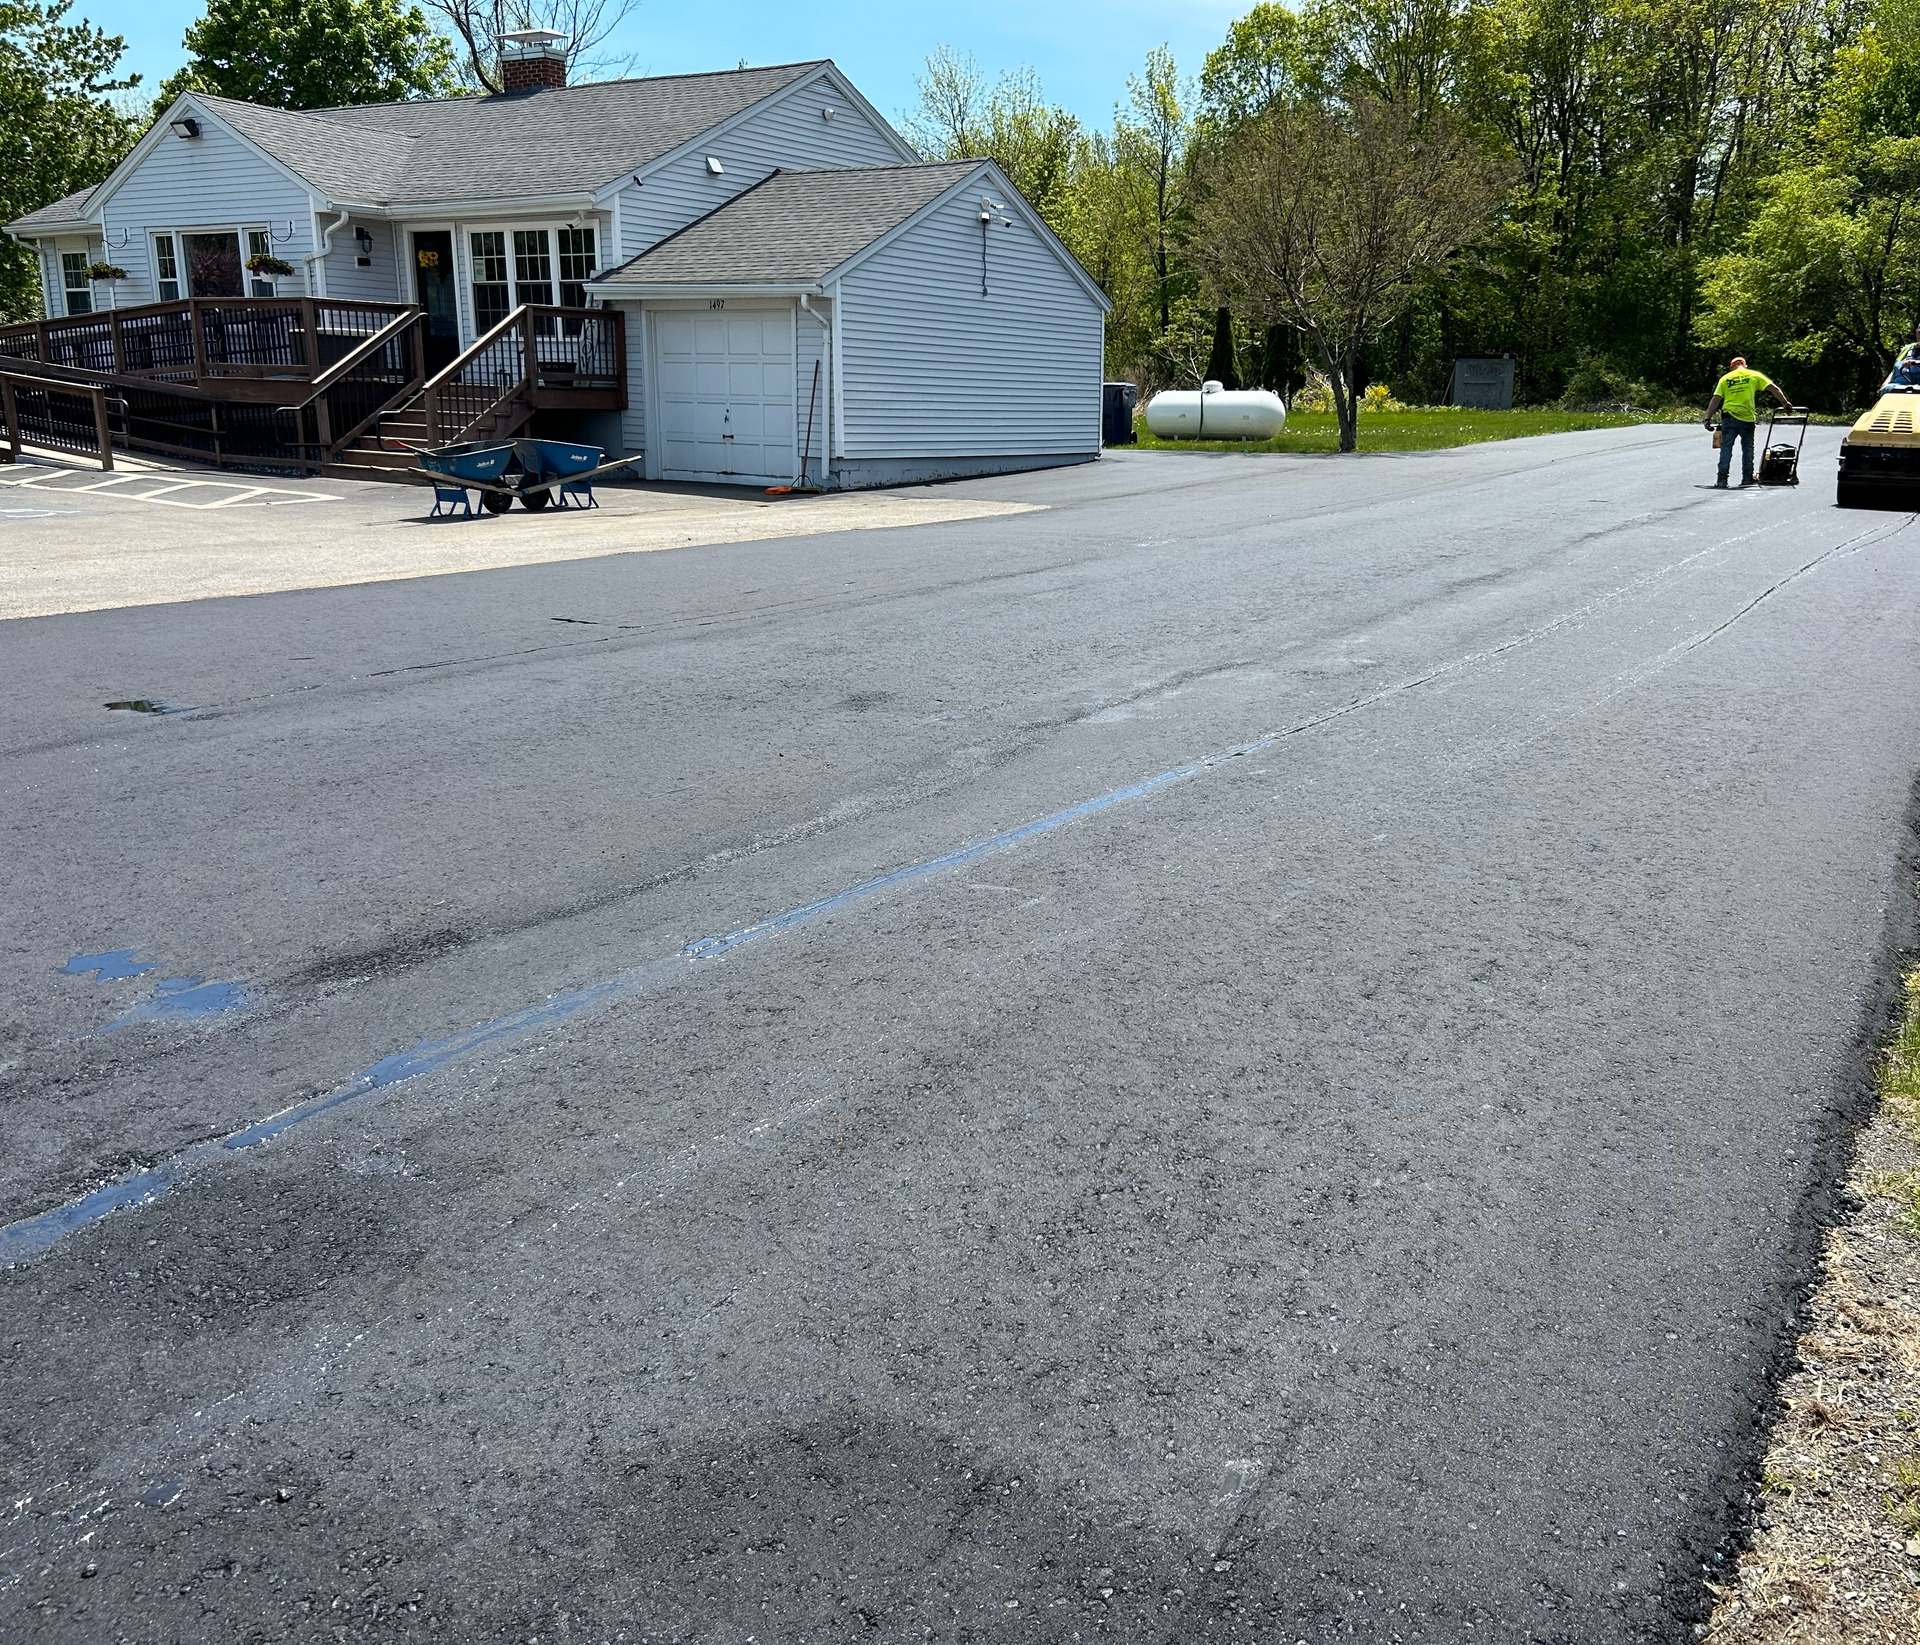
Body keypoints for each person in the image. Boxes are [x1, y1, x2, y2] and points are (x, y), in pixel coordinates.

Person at [1705, 357, 1793, 488]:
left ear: (1732, 367)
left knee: (1726, 448)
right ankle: (1747, 478)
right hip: (1747, 419)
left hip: (1729, 418)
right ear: (1745, 366)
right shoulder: (1753, 375)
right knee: (1747, 449)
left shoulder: (1725, 379)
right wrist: (1785, 403)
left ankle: (1722, 480)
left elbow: (1716, 399)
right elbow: (1773, 388)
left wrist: (1708, 418)